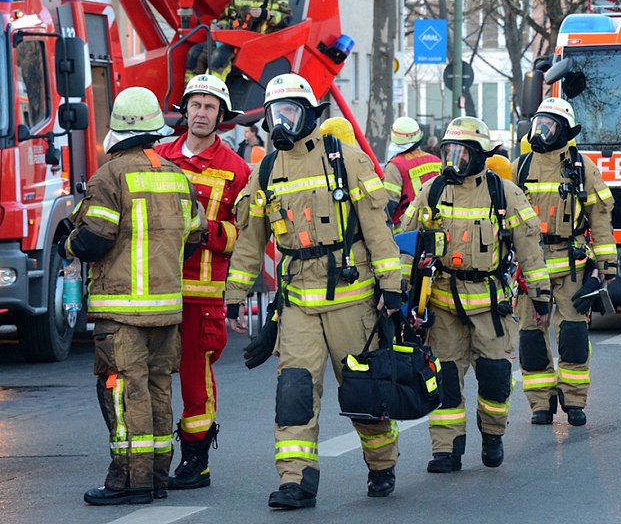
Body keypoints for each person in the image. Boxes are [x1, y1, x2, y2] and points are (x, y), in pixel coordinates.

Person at [224, 74, 403, 510]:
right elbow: (250, 240)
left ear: (310, 115)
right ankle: (296, 480)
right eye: (274, 114)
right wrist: (235, 293)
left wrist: (391, 288)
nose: (282, 121)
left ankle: (381, 463)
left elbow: (378, 230)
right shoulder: (266, 170)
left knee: (362, 392)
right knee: (295, 391)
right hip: (298, 304)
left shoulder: (347, 159)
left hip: (353, 300)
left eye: (290, 112)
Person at [60, 87, 206, 505]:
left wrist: (66, 247)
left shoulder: (110, 176)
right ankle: (158, 478)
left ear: (118, 129)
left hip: (122, 313)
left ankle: (128, 481)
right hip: (167, 311)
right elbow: (194, 237)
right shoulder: (176, 176)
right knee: (159, 391)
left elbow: (93, 239)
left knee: (124, 394)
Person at [400, 117, 551, 473]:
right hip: (443, 304)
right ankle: (446, 450)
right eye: (448, 151)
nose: (453, 159)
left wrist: (541, 296)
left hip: (490, 307)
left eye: (461, 152)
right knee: (446, 380)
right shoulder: (432, 191)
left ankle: (493, 434)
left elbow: (530, 249)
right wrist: (398, 294)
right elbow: (405, 243)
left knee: (496, 378)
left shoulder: (505, 193)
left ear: (480, 155)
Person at [155, 75, 251, 490]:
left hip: (203, 293)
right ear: (185, 109)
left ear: (221, 116)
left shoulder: (238, 169)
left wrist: (205, 228)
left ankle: (196, 461)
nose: (201, 113)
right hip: (155, 288)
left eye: (210, 107)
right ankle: (150, 458)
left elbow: (246, 236)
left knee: (196, 381)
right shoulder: (158, 156)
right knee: (150, 375)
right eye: (195, 104)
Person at [512, 97, 617, 426]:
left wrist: (606, 267)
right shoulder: (521, 167)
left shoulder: (582, 168)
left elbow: (599, 220)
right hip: (530, 269)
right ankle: (540, 403)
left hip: (570, 264)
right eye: (539, 123)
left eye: (549, 125)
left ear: (565, 131)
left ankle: (573, 400)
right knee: (531, 338)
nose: (541, 130)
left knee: (572, 336)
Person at [185, 0, 292, 82]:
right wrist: (219, 26)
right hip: (233, 40)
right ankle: (190, 93)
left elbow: (287, 19)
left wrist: (265, 14)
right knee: (194, 53)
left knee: (219, 57)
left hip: (256, 45)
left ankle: (212, 92)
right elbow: (228, 18)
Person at [383, 117, 441, 231]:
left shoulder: (395, 166)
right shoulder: (436, 160)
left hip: (407, 231)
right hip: (436, 227)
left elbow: (388, 205)